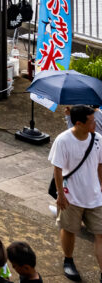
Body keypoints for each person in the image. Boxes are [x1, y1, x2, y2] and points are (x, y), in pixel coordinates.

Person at [50, 103, 102, 282]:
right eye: (91, 121)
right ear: (78, 123)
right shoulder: (63, 140)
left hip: (95, 197)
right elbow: (57, 169)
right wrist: (61, 195)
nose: (94, 124)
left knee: (100, 233)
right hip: (71, 196)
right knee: (69, 229)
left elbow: (100, 164)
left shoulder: (98, 139)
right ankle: (68, 259)